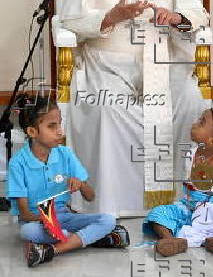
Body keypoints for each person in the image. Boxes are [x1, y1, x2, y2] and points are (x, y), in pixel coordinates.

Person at [60, 0, 210, 216]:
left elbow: (199, 15)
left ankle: (182, 197)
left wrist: (176, 17)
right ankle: (112, 201)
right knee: (106, 107)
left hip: (162, 60)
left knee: (191, 100)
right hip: (107, 62)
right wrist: (111, 16)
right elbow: (68, 21)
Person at [6, 95, 129, 268]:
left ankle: (51, 250)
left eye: (60, 123)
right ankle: (92, 238)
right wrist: (47, 222)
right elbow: (24, 214)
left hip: (64, 216)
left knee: (108, 219)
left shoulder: (66, 154)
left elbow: (91, 196)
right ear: (32, 132)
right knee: (28, 231)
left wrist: (81, 184)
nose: (60, 131)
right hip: (36, 221)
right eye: (51, 126)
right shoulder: (17, 163)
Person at [143, 108, 213, 257]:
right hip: (189, 208)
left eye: (201, 122)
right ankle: (170, 240)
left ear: (212, 139)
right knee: (157, 213)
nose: (195, 124)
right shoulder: (190, 154)